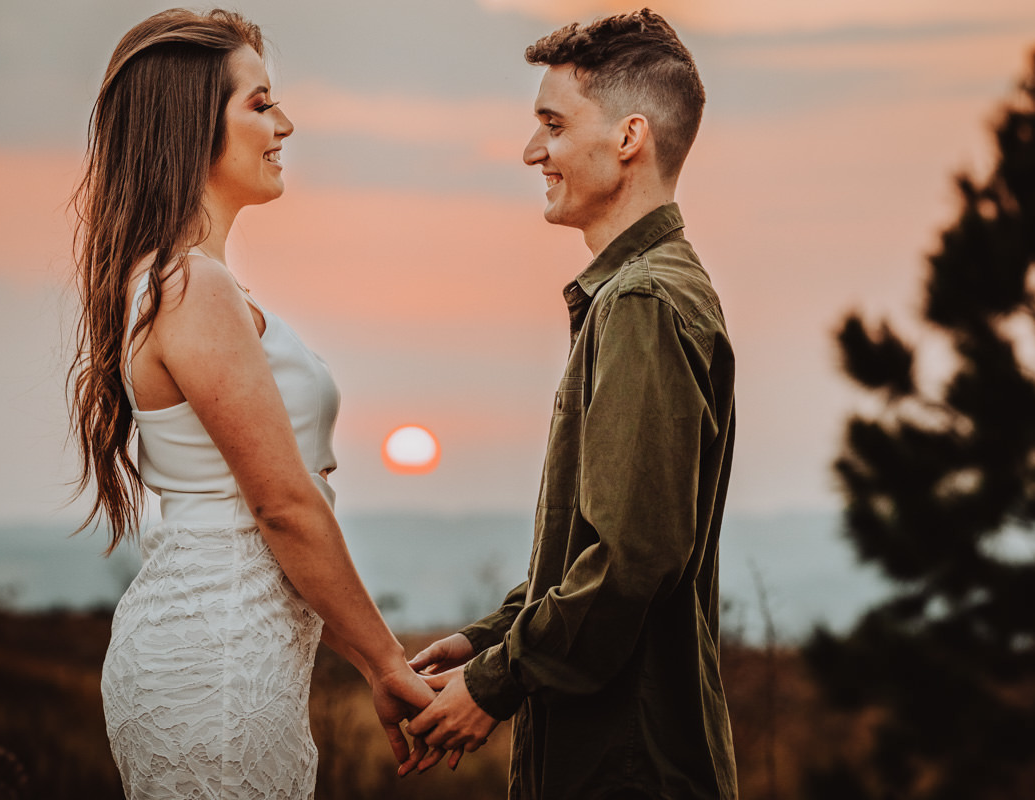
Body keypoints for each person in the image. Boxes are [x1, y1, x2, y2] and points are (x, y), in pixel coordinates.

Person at [67, 9, 434, 797]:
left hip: (229, 644)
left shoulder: (178, 281)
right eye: (260, 104)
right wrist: (385, 660)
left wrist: (364, 656)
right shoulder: (193, 286)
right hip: (218, 657)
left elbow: (276, 525)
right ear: (193, 124)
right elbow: (282, 508)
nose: (285, 124)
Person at [407, 9, 739, 798]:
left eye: (551, 125)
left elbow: (632, 559)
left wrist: (497, 684)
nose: (532, 151)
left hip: (625, 766)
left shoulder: (644, 302)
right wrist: (486, 640)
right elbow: (597, 544)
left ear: (629, 138)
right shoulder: (641, 292)